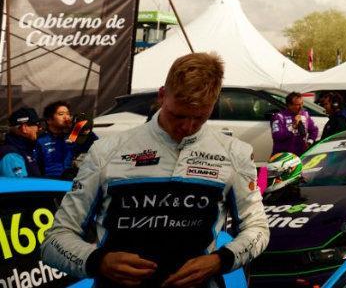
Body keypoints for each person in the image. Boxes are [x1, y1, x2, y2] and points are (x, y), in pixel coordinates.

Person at [42, 52, 268, 288]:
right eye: (178, 115)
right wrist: (99, 261)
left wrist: (220, 261)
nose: (187, 126)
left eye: (200, 117)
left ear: (214, 102)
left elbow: (257, 228)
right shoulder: (106, 151)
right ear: (162, 95)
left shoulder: (235, 153)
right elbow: (55, 240)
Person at [36, 101, 97, 180]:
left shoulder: (72, 136)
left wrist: (85, 129)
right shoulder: (41, 140)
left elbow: (94, 146)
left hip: (71, 180)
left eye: (68, 114)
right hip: (50, 182)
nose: (66, 117)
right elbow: (35, 167)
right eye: (61, 114)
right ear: (49, 120)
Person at [0, 107, 44, 178]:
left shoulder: (25, 149)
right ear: (24, 128)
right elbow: (20, 184)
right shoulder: (11, 155)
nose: (40, 128)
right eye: (37, 124)